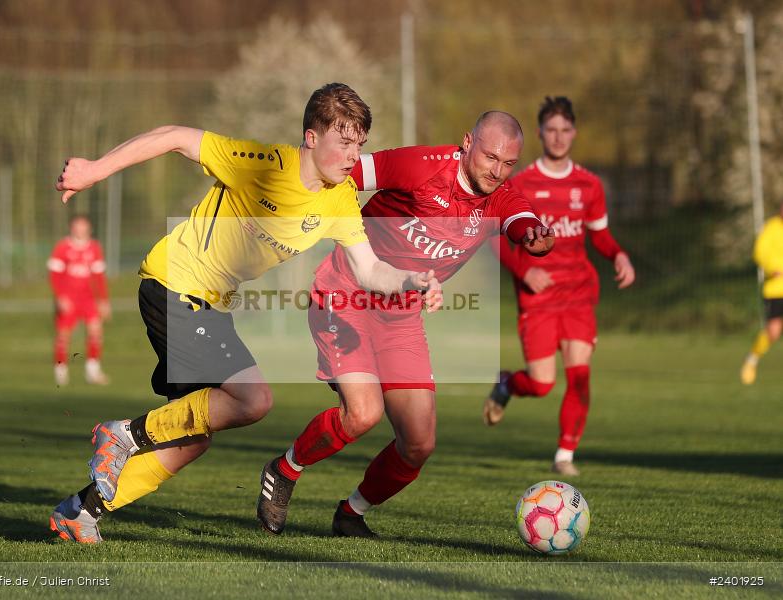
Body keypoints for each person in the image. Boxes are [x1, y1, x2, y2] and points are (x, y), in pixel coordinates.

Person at [47, 83, 445, 543]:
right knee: (252, 399)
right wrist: (94, 170)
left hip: (208, 304)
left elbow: (370, 268)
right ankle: (124, 435)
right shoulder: (265, 165)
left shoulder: (339, 199)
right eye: (344, 141)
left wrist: (412, 281)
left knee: (191, 435)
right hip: (173, 284)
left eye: (360, 143)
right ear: (311, 138)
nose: (353, 154)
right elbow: (175, 135)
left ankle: (80, 511)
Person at [257, 111, 555, 537]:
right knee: (362, 415)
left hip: (401, 316)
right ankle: (284, 469)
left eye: (509, 164)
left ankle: (352, 512)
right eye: (491, 157)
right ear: (467, 142)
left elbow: (521, 221)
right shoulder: (421, 165)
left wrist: (533, 236)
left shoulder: (500, 197)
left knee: (419, 443)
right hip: (346, 293)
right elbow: (344, 172)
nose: (497, 171)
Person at [483, 96, 635, 477]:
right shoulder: (520, 184)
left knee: (580, 375)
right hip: (539, 298)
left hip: (579, 295)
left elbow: (600, 236)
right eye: (551, 129)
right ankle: (506, 384)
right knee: (541, 384)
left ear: (574, 132)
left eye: (565, 129)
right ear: (539, 133)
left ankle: (565, 455)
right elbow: (496, 237)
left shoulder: (589, 184)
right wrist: (524, 271)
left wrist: (618, 254)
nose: (559, 137)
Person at [48, 215, 111, 387]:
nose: (80, 230)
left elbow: (99, 277)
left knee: (96, 333)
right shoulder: (63, 247)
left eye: (83, 227)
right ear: (71, 228)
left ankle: (93, 372)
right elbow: (54, 275)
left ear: (89, 229)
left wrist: (104, 301)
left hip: (88, 299)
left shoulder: (94, 248)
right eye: (77, 226)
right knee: (63, 336)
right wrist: (60, 296)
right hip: (68, 298)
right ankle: (60, 372)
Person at [740, 203, 783, 385]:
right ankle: (752, 360)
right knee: (773, 331)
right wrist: (773, 269)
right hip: (775, 289)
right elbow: (760, 252)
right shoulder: (772, 228)